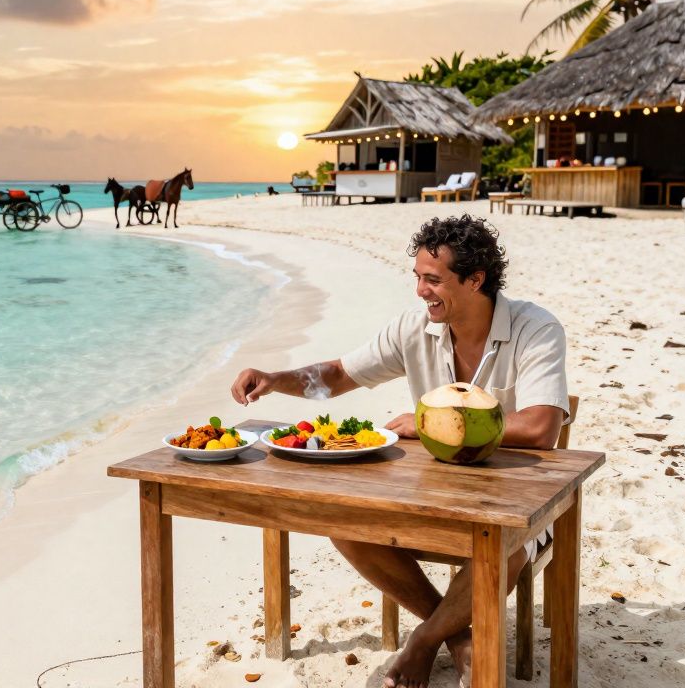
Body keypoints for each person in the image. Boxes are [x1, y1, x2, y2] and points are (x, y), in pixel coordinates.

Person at [229, 214, 569, 688]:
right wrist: (274, 379)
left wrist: (432, 423)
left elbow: (539, 429)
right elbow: (339, 375)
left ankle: (423, 642)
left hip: (517, 506)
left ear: (475, 280)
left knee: (500, 544)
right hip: (433, 495)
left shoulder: (537, 328)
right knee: (345, 524)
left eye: (433, 280)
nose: (420, 291)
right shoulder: (414, 328)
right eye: (417, 278)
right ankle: (453, 635)